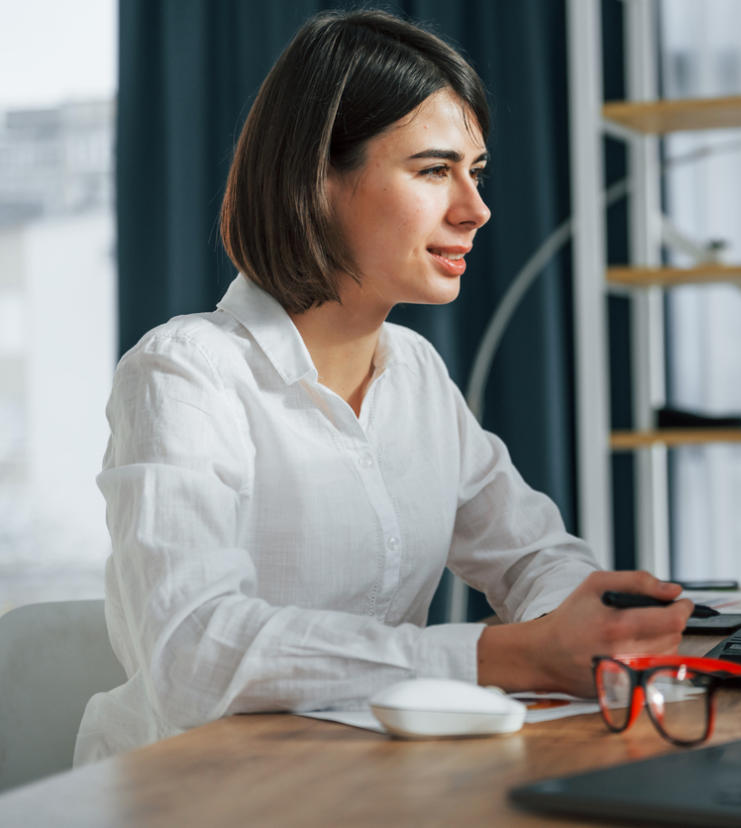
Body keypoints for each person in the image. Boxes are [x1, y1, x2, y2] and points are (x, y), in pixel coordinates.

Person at [75, 9, 691, 765]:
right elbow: (194, 652)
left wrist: (594, 622)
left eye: (477, 172)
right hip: (198, 792)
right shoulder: (183, 372)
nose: (476, 208)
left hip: (369, 777)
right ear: (318, 178)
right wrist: (506, 656)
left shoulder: (418, 374)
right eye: (434, 171)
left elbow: (533, 555)